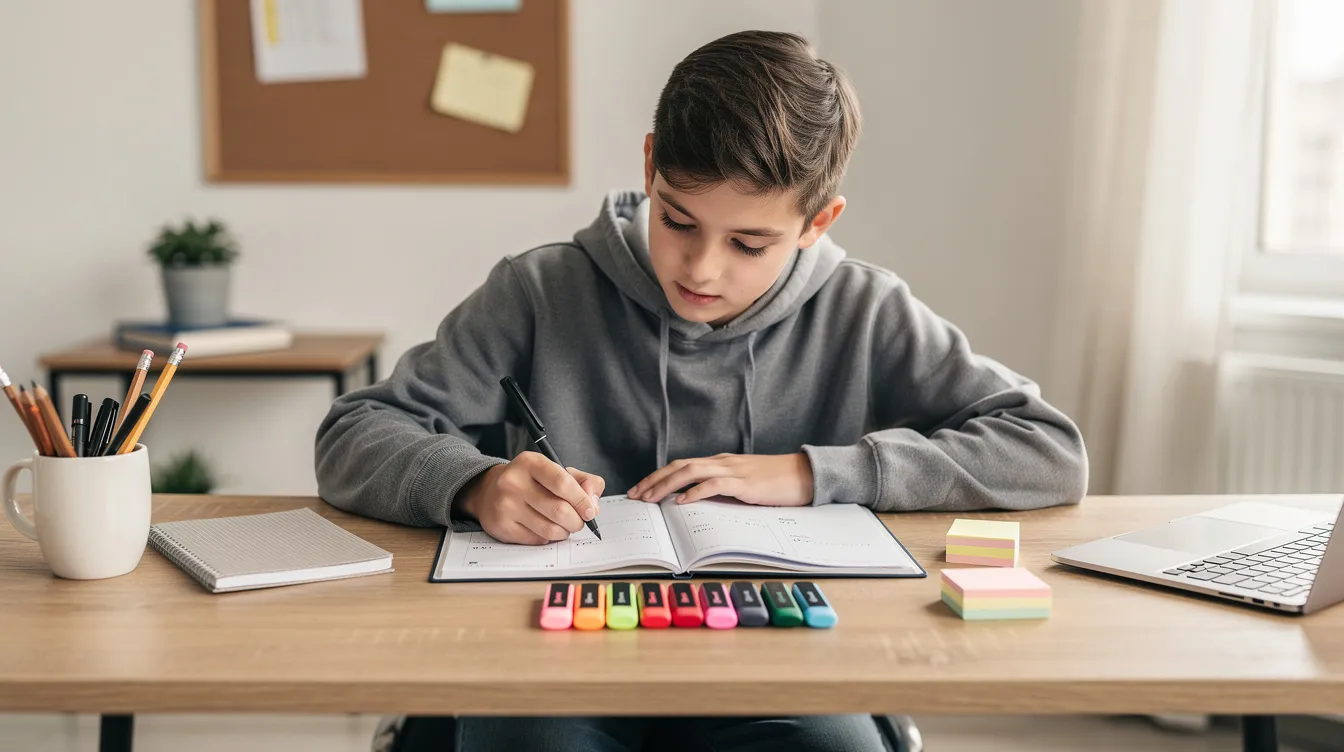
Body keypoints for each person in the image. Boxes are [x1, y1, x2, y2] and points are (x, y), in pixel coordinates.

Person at [316, 29, 1087, 752]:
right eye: (678, 220)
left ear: (819, 222)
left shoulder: (864, 309)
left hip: (785, 651)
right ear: (650, 163)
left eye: (749, 243)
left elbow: (1046, 447)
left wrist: (815, 473)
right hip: (559, 650)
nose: (702, 269)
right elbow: (355, 430)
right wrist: (475, 483)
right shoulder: (540, 290)